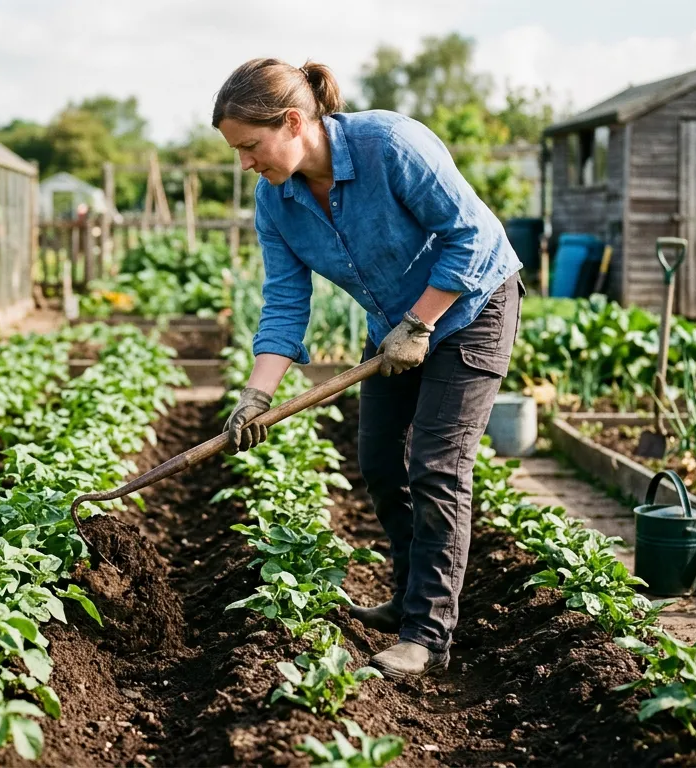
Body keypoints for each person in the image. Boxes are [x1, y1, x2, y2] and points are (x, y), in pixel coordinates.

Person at [213, 58, 523, 679]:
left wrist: (422, 322)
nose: (246, 162)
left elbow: (474, 232)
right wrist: (256, 395)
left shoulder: (388, 144)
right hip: (394, 328)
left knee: (437, 467)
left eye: (250, 146)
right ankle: (410, 598)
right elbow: (284, 301)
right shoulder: (277, 201)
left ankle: (428, 634)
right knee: (381, 462)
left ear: (294, 122)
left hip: (473, 308)